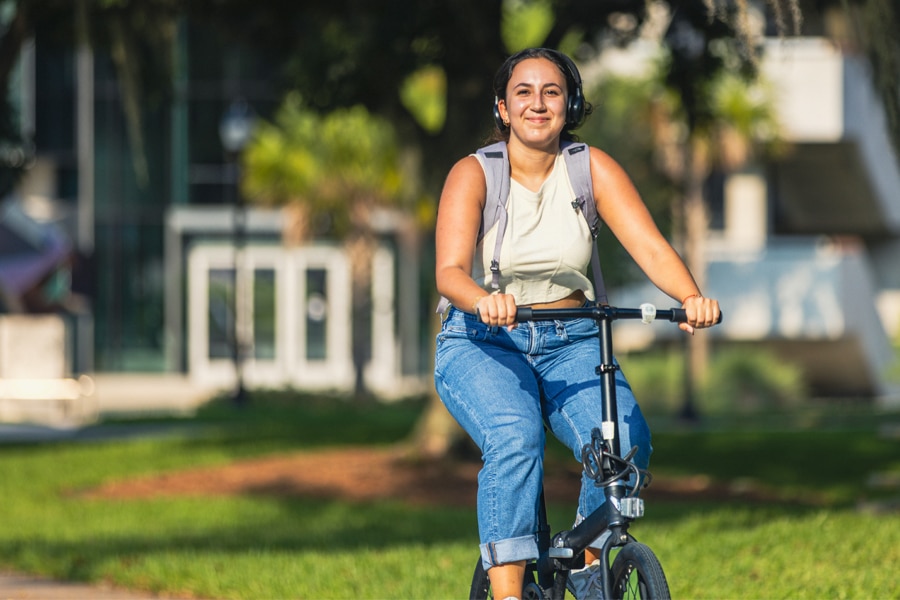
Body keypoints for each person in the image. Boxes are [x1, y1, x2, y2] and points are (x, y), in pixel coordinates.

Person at [433, 47, 721, 600]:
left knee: (624, 440)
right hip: (485, 340)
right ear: (502, 107)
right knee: (515, 439)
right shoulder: (473, 174)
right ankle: (510, 593)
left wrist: (690, 297)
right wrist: (483, 299)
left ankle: (588, 569)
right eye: (523, 92)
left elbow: (651, 247)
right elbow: (449, 272)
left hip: (575, 338)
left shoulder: (591, 169)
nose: (537, 104)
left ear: (570, 105)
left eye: (552, 92)